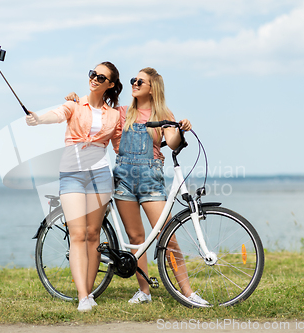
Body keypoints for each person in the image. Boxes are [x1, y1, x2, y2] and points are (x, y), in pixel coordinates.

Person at [66, 67, 207, 305]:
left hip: (151, 181)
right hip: (124, 182)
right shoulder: (122, 113)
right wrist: (75, 101)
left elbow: (172, 143)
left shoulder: (163, 113)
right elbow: (94, 110)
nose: (134, 83)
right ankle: (144, 291)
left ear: (153, 88)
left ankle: (188, 292)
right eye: (133, 80)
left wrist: (180, 128)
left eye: (140, 81)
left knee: (167, 237)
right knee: (136, 239)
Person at [26, 62, 123, 312]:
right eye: (92, 74)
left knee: (93, 235)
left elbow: (119, 146)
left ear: (110, 84)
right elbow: (56, 114)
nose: (94, 79)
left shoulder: (114, 115)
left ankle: (89, 293)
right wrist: (37, 118)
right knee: (77, 234)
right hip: (72, 175)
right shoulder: (74, 104)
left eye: (101, 77)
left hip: (100, 176)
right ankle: (82, 297)